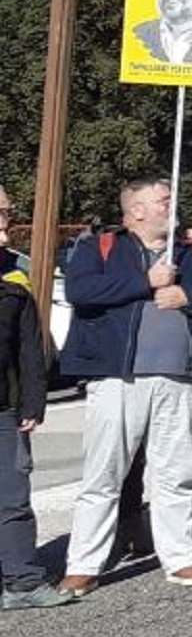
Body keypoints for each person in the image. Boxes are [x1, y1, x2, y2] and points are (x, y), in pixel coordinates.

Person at [58, 177, 192, 592]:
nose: (171, 205)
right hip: (117, 379)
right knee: (103, 474)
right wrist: (147, 282)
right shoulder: (101, 246)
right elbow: (81, 290)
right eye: (163, 200)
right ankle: (84, 562)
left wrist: (186, 296)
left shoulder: (191, 251)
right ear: (136, 210)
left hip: (179, 378)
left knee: (177, 474)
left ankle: (181, 557)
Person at [0, 245, 66, 608]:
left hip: (5, 411)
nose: (6, 225)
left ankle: (22, 582)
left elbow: (28, 349)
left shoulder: (14, 284)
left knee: (12, 498)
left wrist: (32, 402)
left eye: (7, 213)